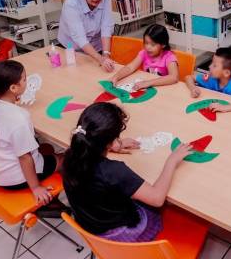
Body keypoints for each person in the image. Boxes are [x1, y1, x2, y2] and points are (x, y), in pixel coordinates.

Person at [62, 103, 193, 242]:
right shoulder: (114, 171)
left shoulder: (71, 156)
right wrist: (171, 161)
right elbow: (157, 199)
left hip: (93, 227)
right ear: (108, 142)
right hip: (123, 234)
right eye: (117, 137)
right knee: (166, 200)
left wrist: (113, 145)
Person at [0, 60, 64, 206]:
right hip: (17, 179)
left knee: (45, 148)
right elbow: (24, 158)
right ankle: (56, 201)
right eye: (24, 79)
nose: (27, 81)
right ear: (13, 88)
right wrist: (36, 188)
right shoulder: (18, 118)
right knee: (67, 157)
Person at [57, 0, 116, 72]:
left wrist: (105, 54)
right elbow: (79, 37)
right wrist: (101, 59)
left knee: (97, 72)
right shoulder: (71, 4)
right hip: (73, 48)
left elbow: (106, 26)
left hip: (95, 45)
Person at [185, 47, 231, 113]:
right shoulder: (211, 78)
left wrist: (225, 108)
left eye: (214, 65)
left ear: (226, 73)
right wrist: (193, 88)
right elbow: (189, 77)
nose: (209, 66)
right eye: (211, 63)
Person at [111, 24, 179, 89]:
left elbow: (174, 77)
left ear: (163, 45)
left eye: (153, 45)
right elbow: (130, 67)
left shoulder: (169, 57)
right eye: (146, 43)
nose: (148, 47)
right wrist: (116, 77)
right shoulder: (144, 53)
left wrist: (148, 83)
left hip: (162, 89)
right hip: (146, 87)